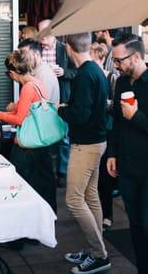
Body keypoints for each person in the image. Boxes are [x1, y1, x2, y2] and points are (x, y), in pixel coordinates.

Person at [58, 32, 111, 274]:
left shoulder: (84, 75)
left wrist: (62, 110)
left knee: (73, 199)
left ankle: (99, 255)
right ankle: (94, 248)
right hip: (97, 142)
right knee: (90, 196)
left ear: (69, 48)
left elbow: (80, 114)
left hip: (86, 145)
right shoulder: (96, 70)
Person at [0, 49, 57, 213]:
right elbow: (28, 111)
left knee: (23, 183)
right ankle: (48, 215)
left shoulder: (27, 88)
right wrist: (7, 113)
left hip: (29, 144)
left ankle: (27, 221)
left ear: (13, 73)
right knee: (45, 181)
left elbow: (20, 119)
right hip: (42, 140)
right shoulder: (37, 82)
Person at [107, 34, 148, 274]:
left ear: (136, 56)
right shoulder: (121, 83)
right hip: (127, 165)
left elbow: (132, 119)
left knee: (146, 223)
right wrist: (112, 153)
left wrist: (137, 117)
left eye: (119, 60)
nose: (116, 66)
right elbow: (116, 122)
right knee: (134, 224)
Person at [38, 19, 77, 187]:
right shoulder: (35, 50)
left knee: (64, 138)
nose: (42, 36)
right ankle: (47, 171)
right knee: (44, 136)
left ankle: (62, 173)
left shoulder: (64, 48)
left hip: (61, 99)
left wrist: (64, 72)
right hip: (41, 99)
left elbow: (76, 72)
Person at [90, 42, 118, 231]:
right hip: (92, 132)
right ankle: (96, 212)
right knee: (94, 176)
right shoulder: (88, 76)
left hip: (107, 131)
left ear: (100, 57)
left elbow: (116, 106)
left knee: (105, 177)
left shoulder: (111, 78)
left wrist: (100, 103)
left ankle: (107, 215)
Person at [18, 38, 60, 105]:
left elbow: (40, 106)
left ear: (36, 54)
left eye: (26, 54)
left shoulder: (44, 74)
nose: (23, 58)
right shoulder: (35, 70)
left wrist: (17, 107)